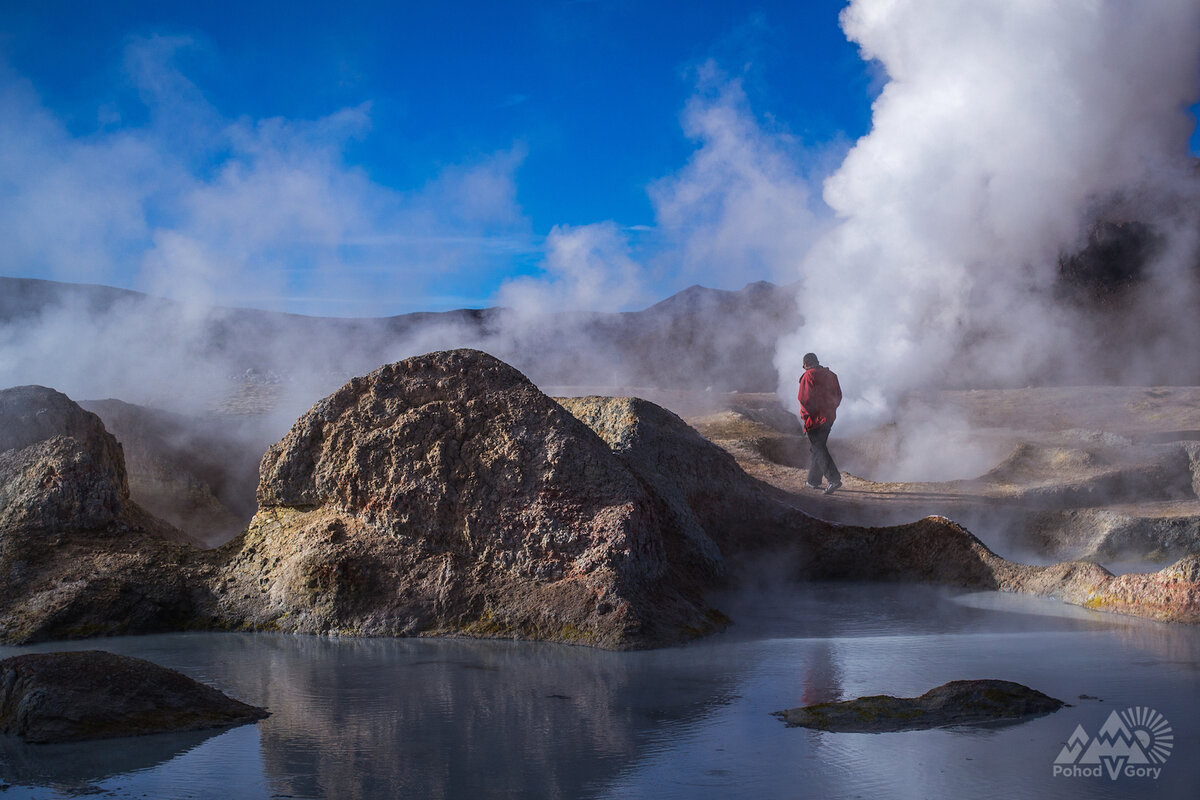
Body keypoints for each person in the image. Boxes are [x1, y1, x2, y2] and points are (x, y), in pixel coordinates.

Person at [797, 352, 843, 495]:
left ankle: (833, 479)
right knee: (817, 447)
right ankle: (813, 481)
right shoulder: (832, 375)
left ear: (805, 364)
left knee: (818, 448)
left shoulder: (808, 376)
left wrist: (806, 416)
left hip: (815, 420)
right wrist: (831, 409)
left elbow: (805, 399)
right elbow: (838, 395)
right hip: (829, 418)